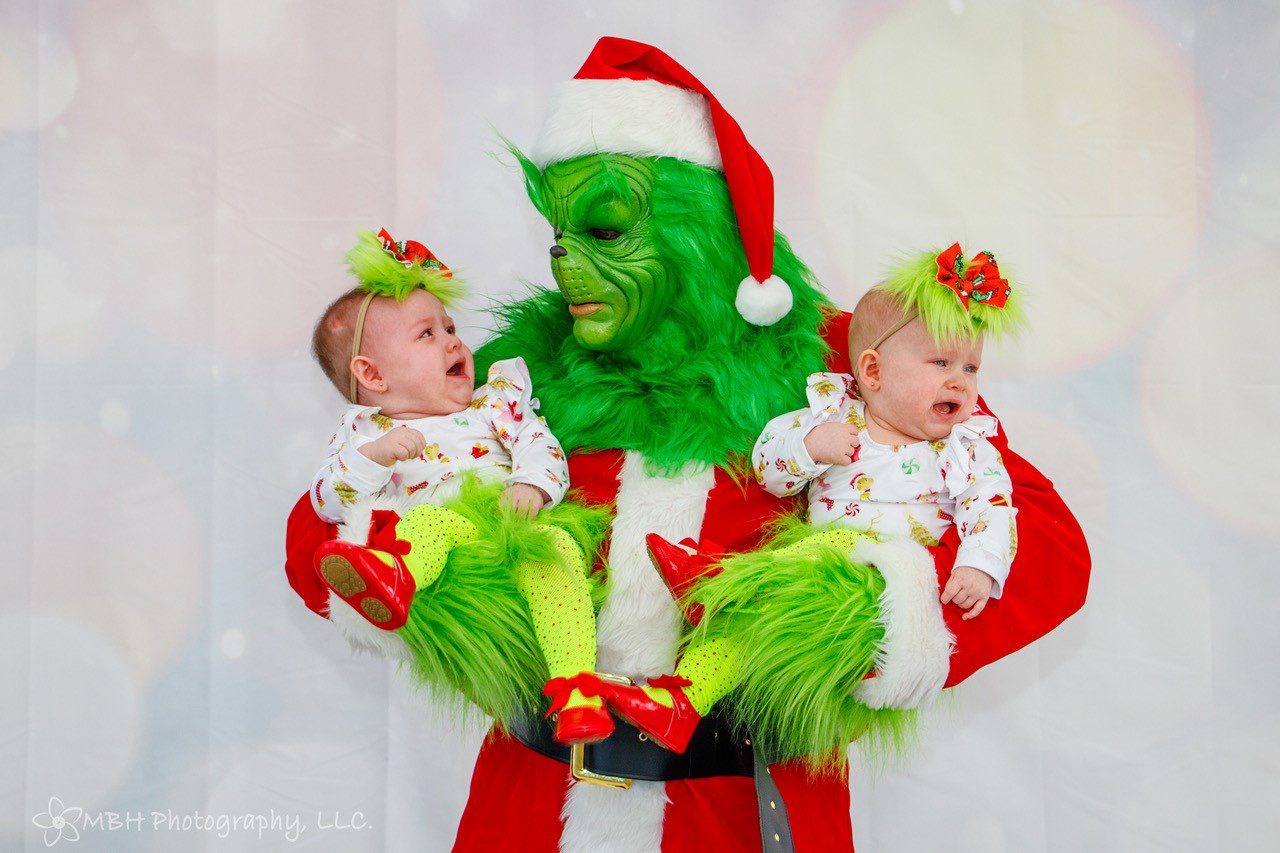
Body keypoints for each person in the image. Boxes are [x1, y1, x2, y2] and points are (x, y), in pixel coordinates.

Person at [603, 243, 1025, 754]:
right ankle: (681, 703)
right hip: (817, 569)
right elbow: (768, 469)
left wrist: (980, 566)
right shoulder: (831, 415)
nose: (960, 381)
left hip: (880, 583)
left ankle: (720, 582)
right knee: (744, 632)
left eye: (971, 368)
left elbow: (992, 508)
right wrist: (809, 448)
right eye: (941, 362)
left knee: (796, 571)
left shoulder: (966, 446)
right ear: (873, 372)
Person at [308, 227, 611, 746]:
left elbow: (540, 444)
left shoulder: (493, 402)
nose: (453, 340)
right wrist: (375, 458)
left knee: (557, 550)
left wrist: (532, 485)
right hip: (449, 539)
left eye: (450, 327)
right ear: (373, 375)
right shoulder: (364, 432)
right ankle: (393, 579)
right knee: (428, 523)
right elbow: (328, 501)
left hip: (510, 523)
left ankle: (578, 687)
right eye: (427, 334)